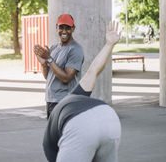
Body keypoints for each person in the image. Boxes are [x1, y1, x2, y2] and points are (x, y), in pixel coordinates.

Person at [43, 20, 122, 162]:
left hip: (79, 125)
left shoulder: (48, 143)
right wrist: (109, 44)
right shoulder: (75, 95)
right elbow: (93, 71)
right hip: (108, 116)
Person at [33, 14, 84, 118]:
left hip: (66, 102)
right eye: (61, 27)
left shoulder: (75, 49)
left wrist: (49, 59)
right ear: (57, 28)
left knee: (65, 134)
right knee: (54, 134)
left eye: (68, 28)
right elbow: (48, 77)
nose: (64, 31)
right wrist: (43, 64)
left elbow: (66, 78)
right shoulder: (54, 48)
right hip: (51, 100)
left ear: (73, 29)